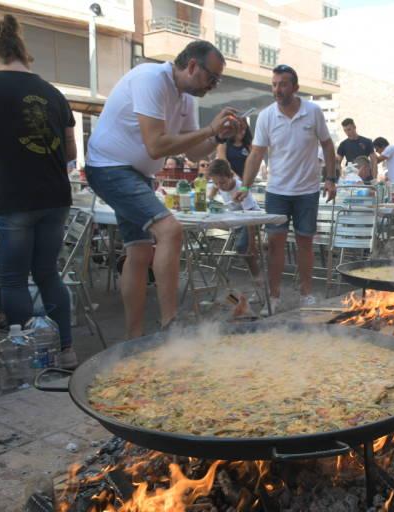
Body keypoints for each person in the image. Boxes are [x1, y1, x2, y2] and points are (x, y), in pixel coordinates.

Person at [85, 40, 237, 338]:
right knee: (170, 231)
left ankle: (134, 339)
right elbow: (155, 146)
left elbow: (194, 153)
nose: (214, 86)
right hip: (108, 166)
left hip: (136, 173)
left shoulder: (187, 99)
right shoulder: (150, 78)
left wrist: (218, 136)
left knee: (139, 253)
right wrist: (208, 130)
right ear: (192, 65)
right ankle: (171, 328)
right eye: (212, 78)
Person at [0, 15, 78, 366]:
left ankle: (31, 357)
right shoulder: (53, 92)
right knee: (47, 274)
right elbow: (71, 153)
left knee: (12, 279)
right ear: (23, 54)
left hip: (12, 198)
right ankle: (66, 351)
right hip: (55, 198)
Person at [234, 64, 336, 315]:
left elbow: (328, 145)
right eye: (274, 84)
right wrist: (246, 185)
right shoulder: (267, 115)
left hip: (307, 191)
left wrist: (331, 178)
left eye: (283, 84)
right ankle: (274, 296)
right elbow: (256, 153)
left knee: (305, 243)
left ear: (295, 87)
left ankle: (306, 294)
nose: (277, 89)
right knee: (275, 244)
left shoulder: (313, 112)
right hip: (277, 191)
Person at [207, 159, 260, 278]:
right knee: (242, 246)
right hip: (236, 221)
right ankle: (263, 245)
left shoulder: (240, 187)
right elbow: (213, 192)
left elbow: (250, 215)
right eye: (216, 183)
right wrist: (210, 196)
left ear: (231, 176)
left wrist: (252, 243)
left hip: (252, 220)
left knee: (243, 246)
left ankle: (257, 275)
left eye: (222, 182)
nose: (220, 186)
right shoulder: (219, 185)